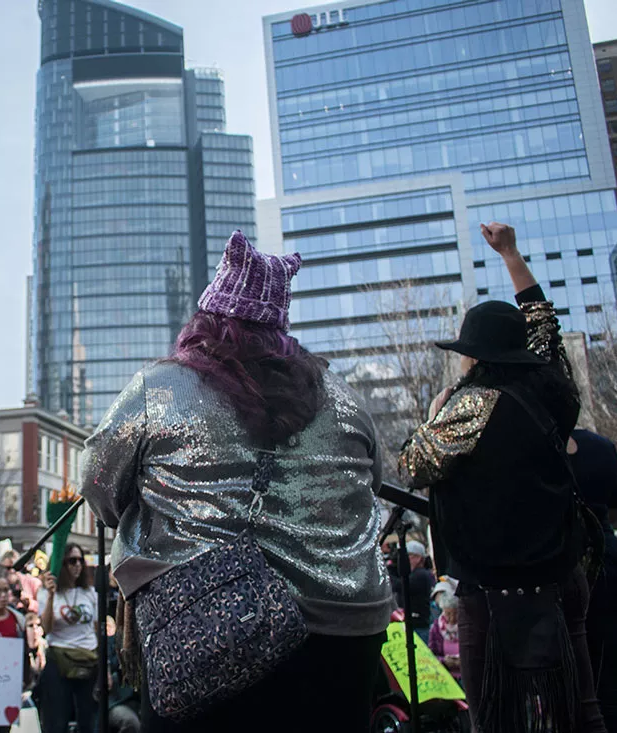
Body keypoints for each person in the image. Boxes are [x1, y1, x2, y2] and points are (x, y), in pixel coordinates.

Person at [82, 231, 394, 731]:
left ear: (207, 318)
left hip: (205, 627)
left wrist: (146, 517)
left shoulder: (161, 386)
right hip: (347, 628)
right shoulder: (344, 397)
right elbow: (373, 484)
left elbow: (98, 481)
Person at [399, 222, 605, 732]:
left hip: (496, 590)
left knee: (495, 714)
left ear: (477, 357)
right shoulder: (554, 392)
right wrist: (511, 255)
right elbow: (543, 325)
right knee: (580, 706)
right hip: (561, 571)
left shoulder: (472, 403)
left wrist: (433, 414)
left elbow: (412, 465)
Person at [571, 430, 617, 732]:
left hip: (569, 566)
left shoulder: (537, 445)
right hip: (609, 565)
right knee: (612, 685)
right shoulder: (601, 447)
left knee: (578, 690)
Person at [36, 545, 98, 733]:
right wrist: (51, 596)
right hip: (60, 659)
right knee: (57, 721)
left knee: (88, 720)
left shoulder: (89, 592)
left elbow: (96, 629)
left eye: (80, 560)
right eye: (72, 561)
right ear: (61, 565)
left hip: (89, 659)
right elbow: (46, 628)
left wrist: (104, 669)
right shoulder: (45, 593)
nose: (77, 565)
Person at [392, 540, 435, 641]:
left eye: (408, 555)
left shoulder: (420, 575)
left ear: (418, 557)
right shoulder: (419, 574)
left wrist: (389, 569)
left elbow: (400, 586)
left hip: (418, 626)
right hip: (414, 624)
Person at [428, 591, 462, 682]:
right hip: (445, 677)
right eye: (448, 614)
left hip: (465, 676)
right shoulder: (436, 628)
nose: (452, 618)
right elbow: (431, 655)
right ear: (443, 611)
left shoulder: (466, 627)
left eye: (456, 613)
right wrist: (444, 661)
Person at [1, 550, 41, 615]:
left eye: (16, 567)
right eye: (7, 568)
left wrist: (29, 603)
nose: (12, 570)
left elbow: (44, 607)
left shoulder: (33, 582)